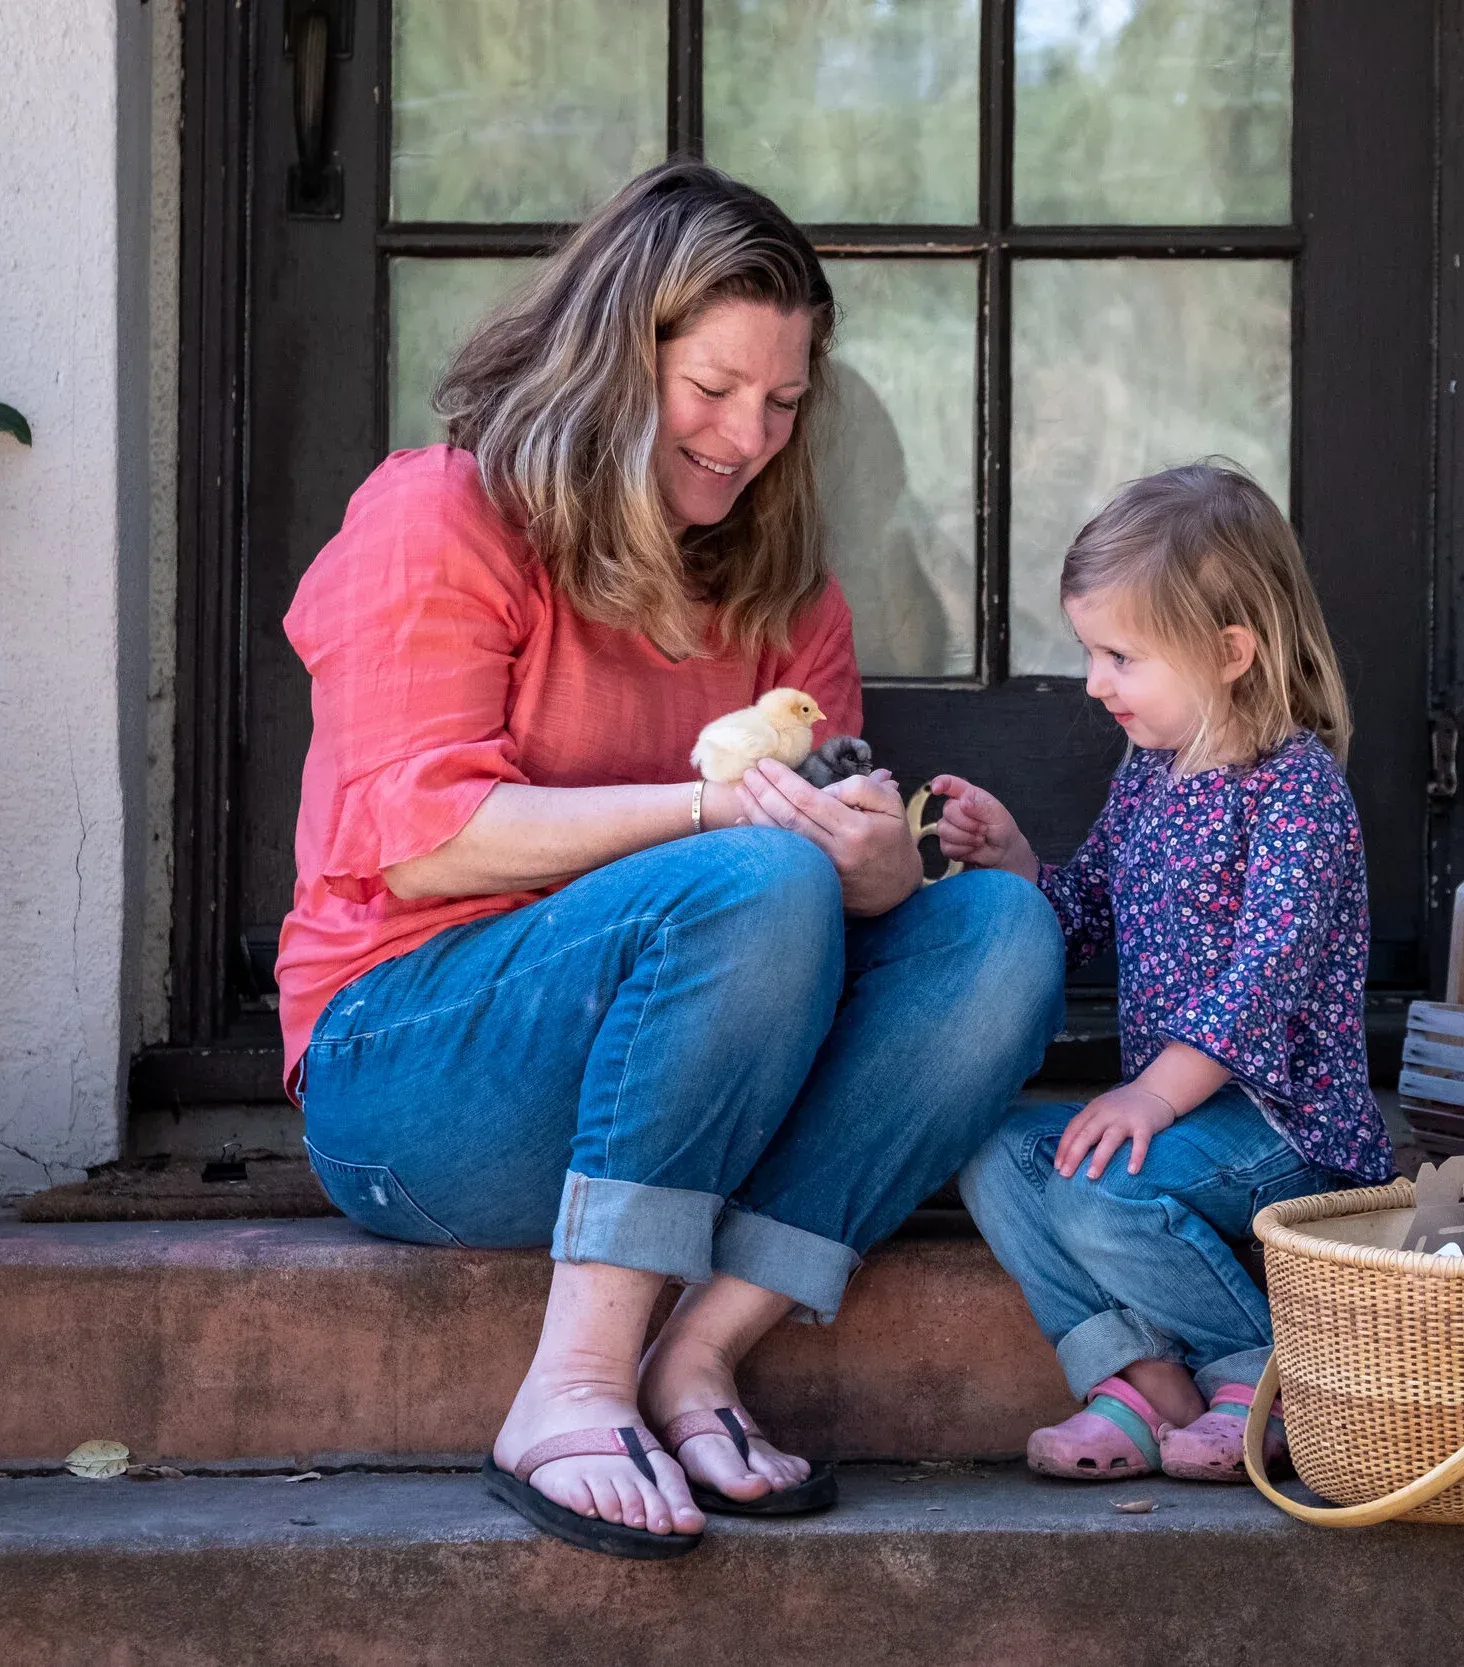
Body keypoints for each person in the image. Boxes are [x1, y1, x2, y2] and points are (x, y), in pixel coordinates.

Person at [277, 163, 1064, 1558]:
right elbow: (427, 845)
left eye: (781, 400)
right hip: (409, 1072)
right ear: (609, 357)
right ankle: (568, 1384)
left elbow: (824, 868)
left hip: (700, 1086)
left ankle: (696, 1353)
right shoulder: (440, 514)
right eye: (712, 388)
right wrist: (716, 818)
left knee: (997, 928)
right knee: (748, 878)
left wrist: (878, 867)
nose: (746, 435)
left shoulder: (782, 594)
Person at [929, 462, 1391, 1485]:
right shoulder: (1149, 773)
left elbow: (1262, 977)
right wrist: (1013, 862)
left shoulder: (1294, 791)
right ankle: (1142, 1379)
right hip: (1184, 1124)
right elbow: (1088, 904)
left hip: (1283, 1128)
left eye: (1119, 655)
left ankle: (1265, 1373)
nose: (1094, 681)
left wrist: (1150, 1090)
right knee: (997, 1154)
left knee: (1100, 1195)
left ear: (1229, 652)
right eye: (1093, 650)